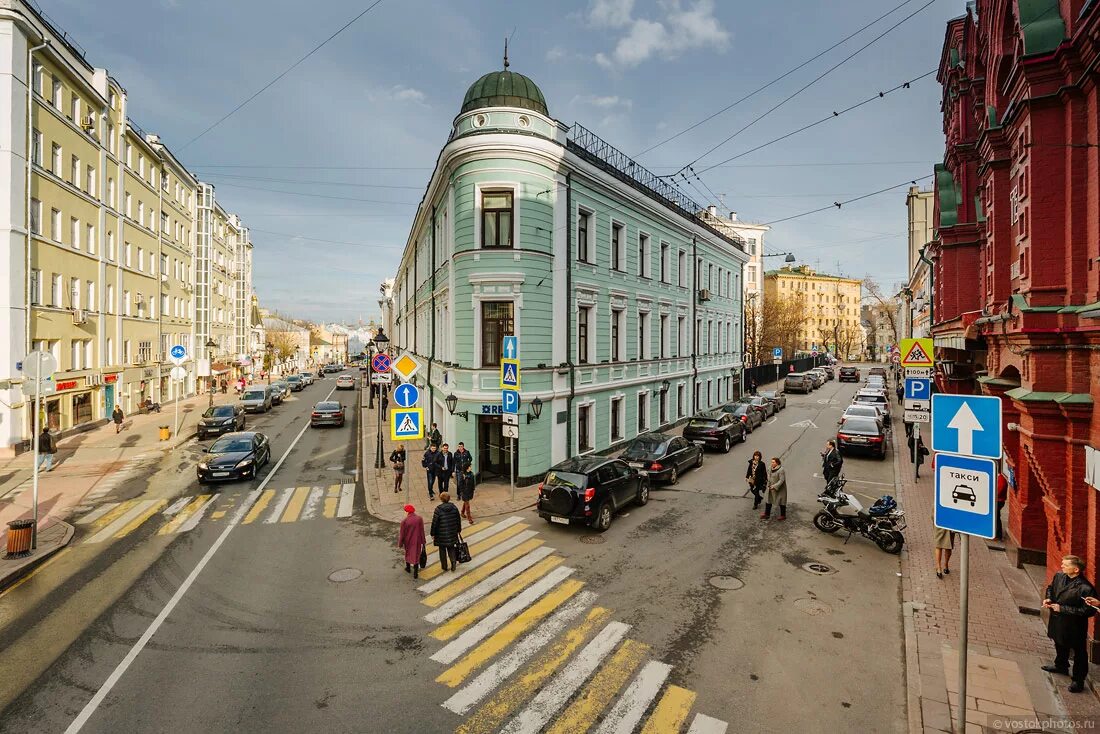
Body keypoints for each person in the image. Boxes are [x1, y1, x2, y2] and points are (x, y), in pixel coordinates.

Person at [1042, 556, 1097, 693]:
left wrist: (1063, 609)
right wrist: (1048, 598)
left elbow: (1088, 611)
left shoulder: (1085, 588)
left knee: (1079, 653)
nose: (1062, 566)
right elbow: (1050, 588)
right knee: (1059, 642)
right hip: (1057, 619)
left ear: (1076, 569)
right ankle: (1061, 665)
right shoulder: (1059, 576)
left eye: (1066, 565)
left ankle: (1078, 680)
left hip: (1074, 625)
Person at [430, 492, 463, 572]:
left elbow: (435, 523)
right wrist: (458, 530)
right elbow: (458, 520)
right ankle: (453, 563)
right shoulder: (454, 508)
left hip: (441, 534)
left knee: (442, 550)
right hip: (452, 532)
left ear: (441, 499)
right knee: (451, 548)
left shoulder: (438, 509)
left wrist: (432, 533)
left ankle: (444, 566)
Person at [397, 504, 426, 580]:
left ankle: (408, 568)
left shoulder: (404, 521)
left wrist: (400, 543)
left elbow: (402, 534)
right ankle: (416, 573)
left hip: (408, 541)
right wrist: (423, 541)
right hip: (417, 540)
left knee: (408, 553)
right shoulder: (419, 519)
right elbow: (422, 531)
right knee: (416, 554)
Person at [762, 456, 787, 521]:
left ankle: (783, 515)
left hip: (780, 489)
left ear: (777, 463)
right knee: (768, 500)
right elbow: (767, 475)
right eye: (771, 462)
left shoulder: (781, 470)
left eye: (773, 462)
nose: (772, 463)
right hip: (770, 487)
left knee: (781, 501)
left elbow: (781, 480)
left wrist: (774, 486)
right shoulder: (770, 468)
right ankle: (766, 514)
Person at [995, 471, 1008, 542]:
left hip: (998, 501)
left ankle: (998, 535)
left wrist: (993, 496)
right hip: (997, 500)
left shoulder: (1001, 479)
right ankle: (996, 533)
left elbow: (999, 490)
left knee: (996, 517)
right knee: (996, 517)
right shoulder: (999, 478)